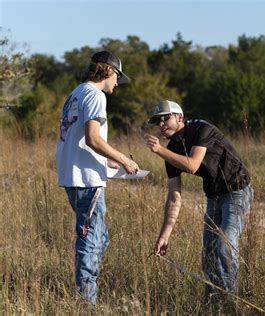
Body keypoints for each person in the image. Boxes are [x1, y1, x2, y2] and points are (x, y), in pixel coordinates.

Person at [145, 100, 254, 310]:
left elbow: (193, 165)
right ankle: (214, 304)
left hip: (237, 190)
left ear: (179, 117)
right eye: (157, 121)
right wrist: (164, 235)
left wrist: (159, 150)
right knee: (209, 254)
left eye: (165, 118)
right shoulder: (171, 151)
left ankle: (230, 304)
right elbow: (174, 196)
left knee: (224, 244)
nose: (160, 125)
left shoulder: (201, 128)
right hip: (214, 196)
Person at [55, 51, 139, 305]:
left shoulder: (76, 93)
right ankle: (86, 303)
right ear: (109, 71)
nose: (117, 85)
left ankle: (87, 290)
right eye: (117, 78)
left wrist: (107, 160)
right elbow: (93, 138)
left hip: (74, 175)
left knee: (100, 238)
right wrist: (124, 159)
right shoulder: (96, 95)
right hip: (87, 180)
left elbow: (79, 139)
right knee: (90, 241)